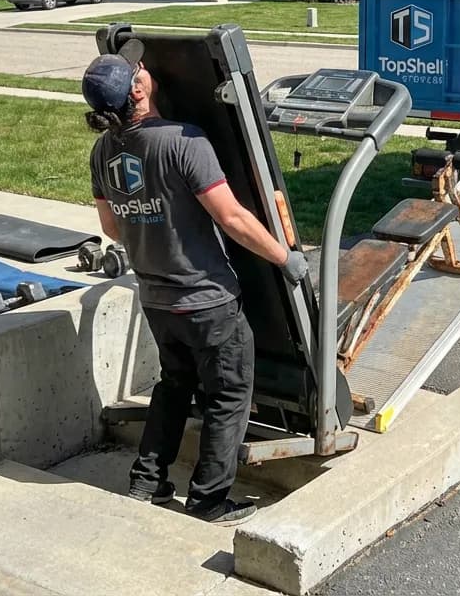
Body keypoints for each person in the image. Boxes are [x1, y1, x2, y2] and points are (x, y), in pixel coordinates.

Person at [82, 39, 308, 525]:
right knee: (228, 396)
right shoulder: (184, 141)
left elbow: (112, 227)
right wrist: (284, 257)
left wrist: (153, 219)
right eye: (136, 68)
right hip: (207, 301)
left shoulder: (103, 151)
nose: (142, 68)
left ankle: (148, 481)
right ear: (138, 90)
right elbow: (231, 218)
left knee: (174, 384)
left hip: (158, 301)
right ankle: (208, 500)